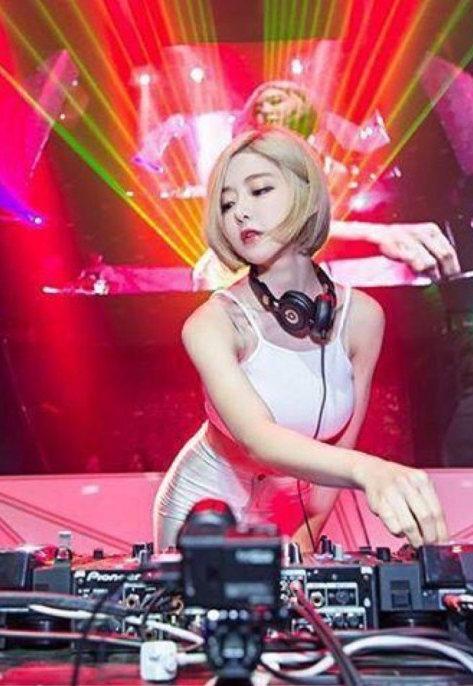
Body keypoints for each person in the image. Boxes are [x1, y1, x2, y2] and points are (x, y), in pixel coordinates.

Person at [153, 127, 448, 551]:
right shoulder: (211, 323)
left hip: (297, 507)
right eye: (227, 203)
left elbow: (343, 438)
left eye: (260, 190)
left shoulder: (363, 317)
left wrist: (308, 532)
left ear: (305, 194)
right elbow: (257, 438)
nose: (240, 213)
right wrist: (371, 471)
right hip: (205, 505)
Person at [192, 80, 460, 289]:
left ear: (304, 110)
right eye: (258, 107)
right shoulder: (247, 165)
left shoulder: (328, 169)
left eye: (274, 101)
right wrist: (376, 236)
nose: (265, 110)